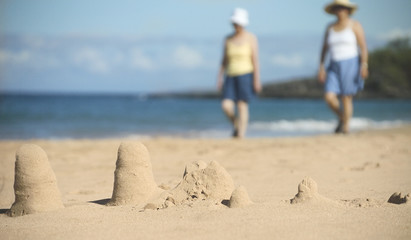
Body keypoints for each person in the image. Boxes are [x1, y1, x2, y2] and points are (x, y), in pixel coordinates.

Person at [317, 0, 369, 134]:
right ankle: (342, 117)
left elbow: (363, 47)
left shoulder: (355, 25)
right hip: (333, 64)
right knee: (329, 97)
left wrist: (364, 65)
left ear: (347, 10)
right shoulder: (330, 27)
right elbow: (324, 49)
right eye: (337, 8)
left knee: (346, 97)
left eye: (342, 8)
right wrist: (321, 66)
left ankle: (346, 128)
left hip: (350, 63)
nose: (339, 10)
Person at [217, 8, 262, 139]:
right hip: (230, 75)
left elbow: (255, 60)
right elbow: (223, 60)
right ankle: (236, 124)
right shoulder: (228, 39)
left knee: (242, 105)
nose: (236, 26)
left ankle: (241, 134)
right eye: (234, 23)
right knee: (226, 105)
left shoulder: (251, 38)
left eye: (238, 23)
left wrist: (256, 80)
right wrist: (219, 77)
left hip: (246, 74)